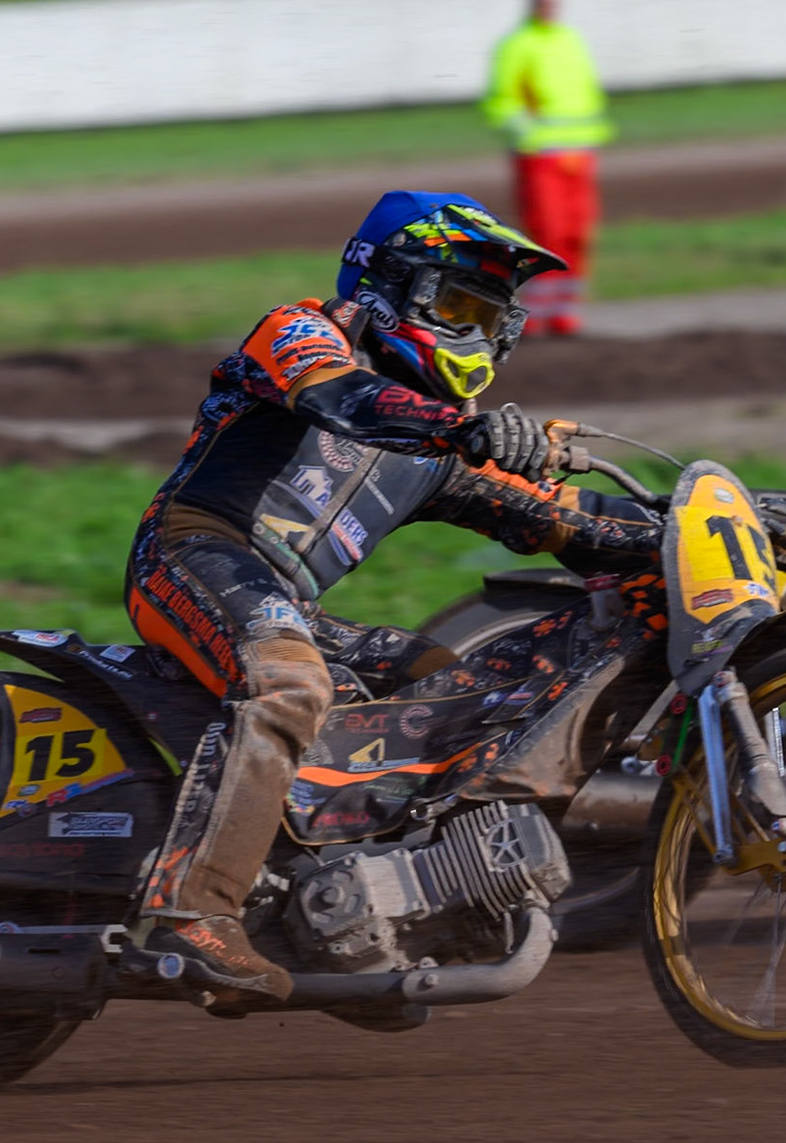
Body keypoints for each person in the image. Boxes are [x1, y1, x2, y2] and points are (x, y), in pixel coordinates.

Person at [125, 190, 662, 1005]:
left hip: (285, 600)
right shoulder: (302, 333)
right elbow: (343, 399)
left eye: (489, 318)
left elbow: (565, 524)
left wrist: (694, 526)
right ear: (387, 282)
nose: (474, 333)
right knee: (290, 684)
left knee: (439, 680)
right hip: (196, 553)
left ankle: (334, 907)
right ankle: (190, 912)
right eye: (455, 304)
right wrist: (464, 433)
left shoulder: (443, 437)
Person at [482, 0, 613, 336]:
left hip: (579, 155)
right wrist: (531, 136)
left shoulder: (570, 39)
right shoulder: (517, 44)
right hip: (541, 157)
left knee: (577, 234)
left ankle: (564, 314)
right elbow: (502, 102)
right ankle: (534, 317)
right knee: (548, 234)